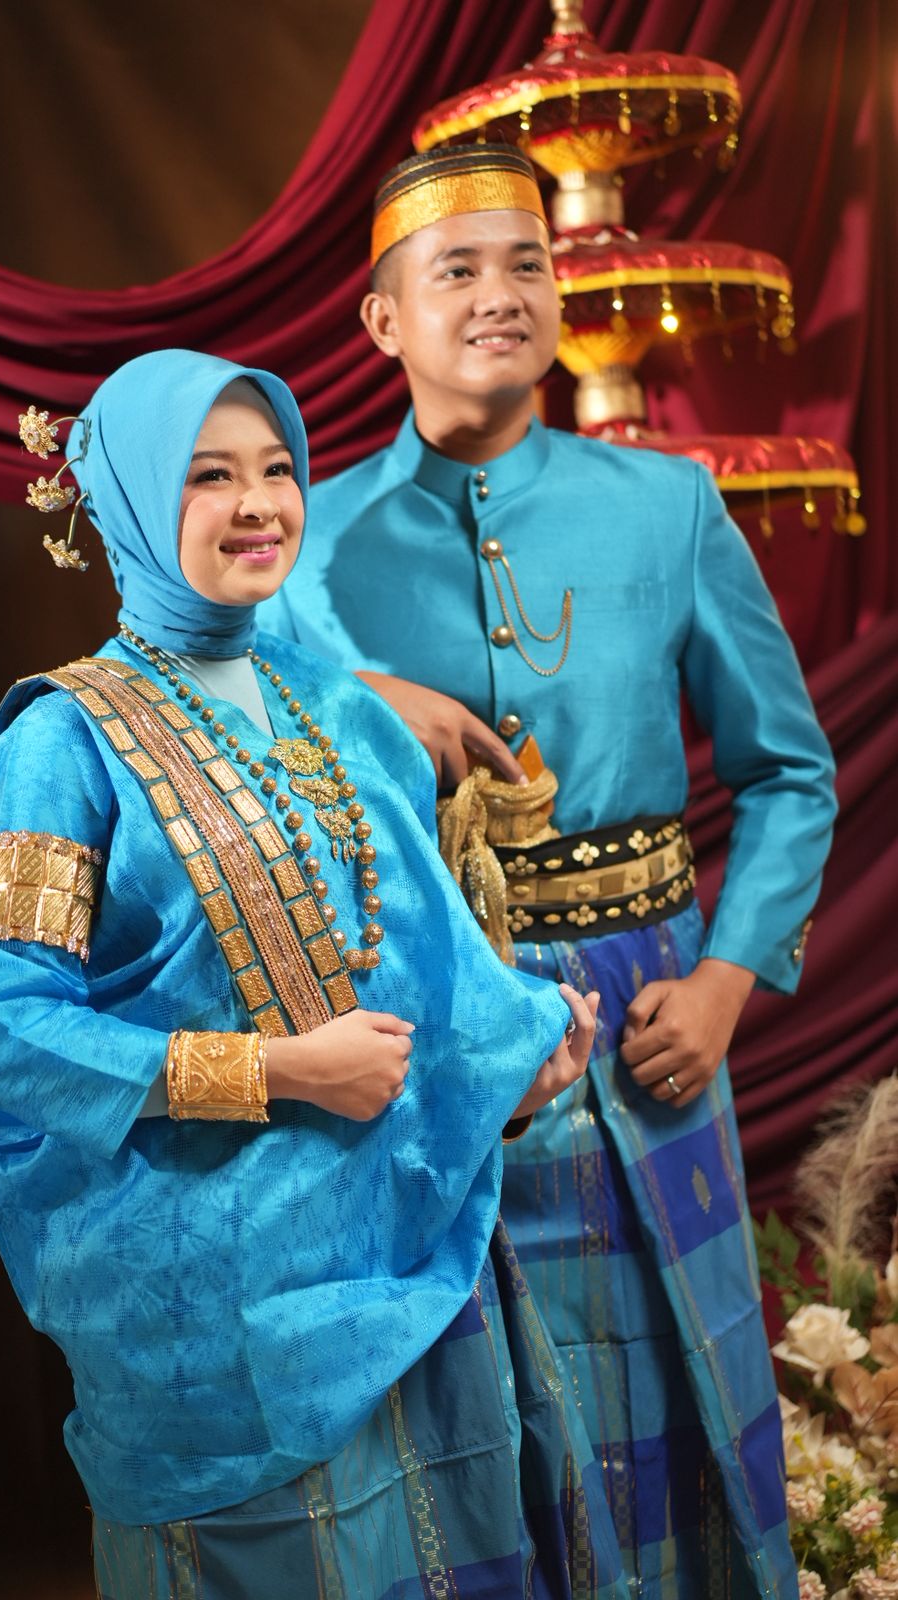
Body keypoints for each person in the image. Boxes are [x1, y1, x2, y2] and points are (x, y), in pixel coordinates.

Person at [0, 348, 629, 1600]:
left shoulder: (343, 706)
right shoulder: (60, 744)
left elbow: (428, 972)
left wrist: (511, 1076)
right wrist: (274, 1070)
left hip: (411, 1252)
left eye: (277, 469)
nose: (259, 503)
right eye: (209, 476)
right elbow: (7, 1031)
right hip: (216, 1315)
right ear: (128, 499)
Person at [262, 143, 835, 1599]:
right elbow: (220, 762)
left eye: (526, 263)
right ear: (382, 319)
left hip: (651, 1019)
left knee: (677, 1407)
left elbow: (790, 774)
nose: (500, 294)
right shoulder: (300, 552)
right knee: (467, 1426)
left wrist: (722, 985)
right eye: (456, 268)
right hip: (425, 1034)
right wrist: (352, 701)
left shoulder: (667, 505)